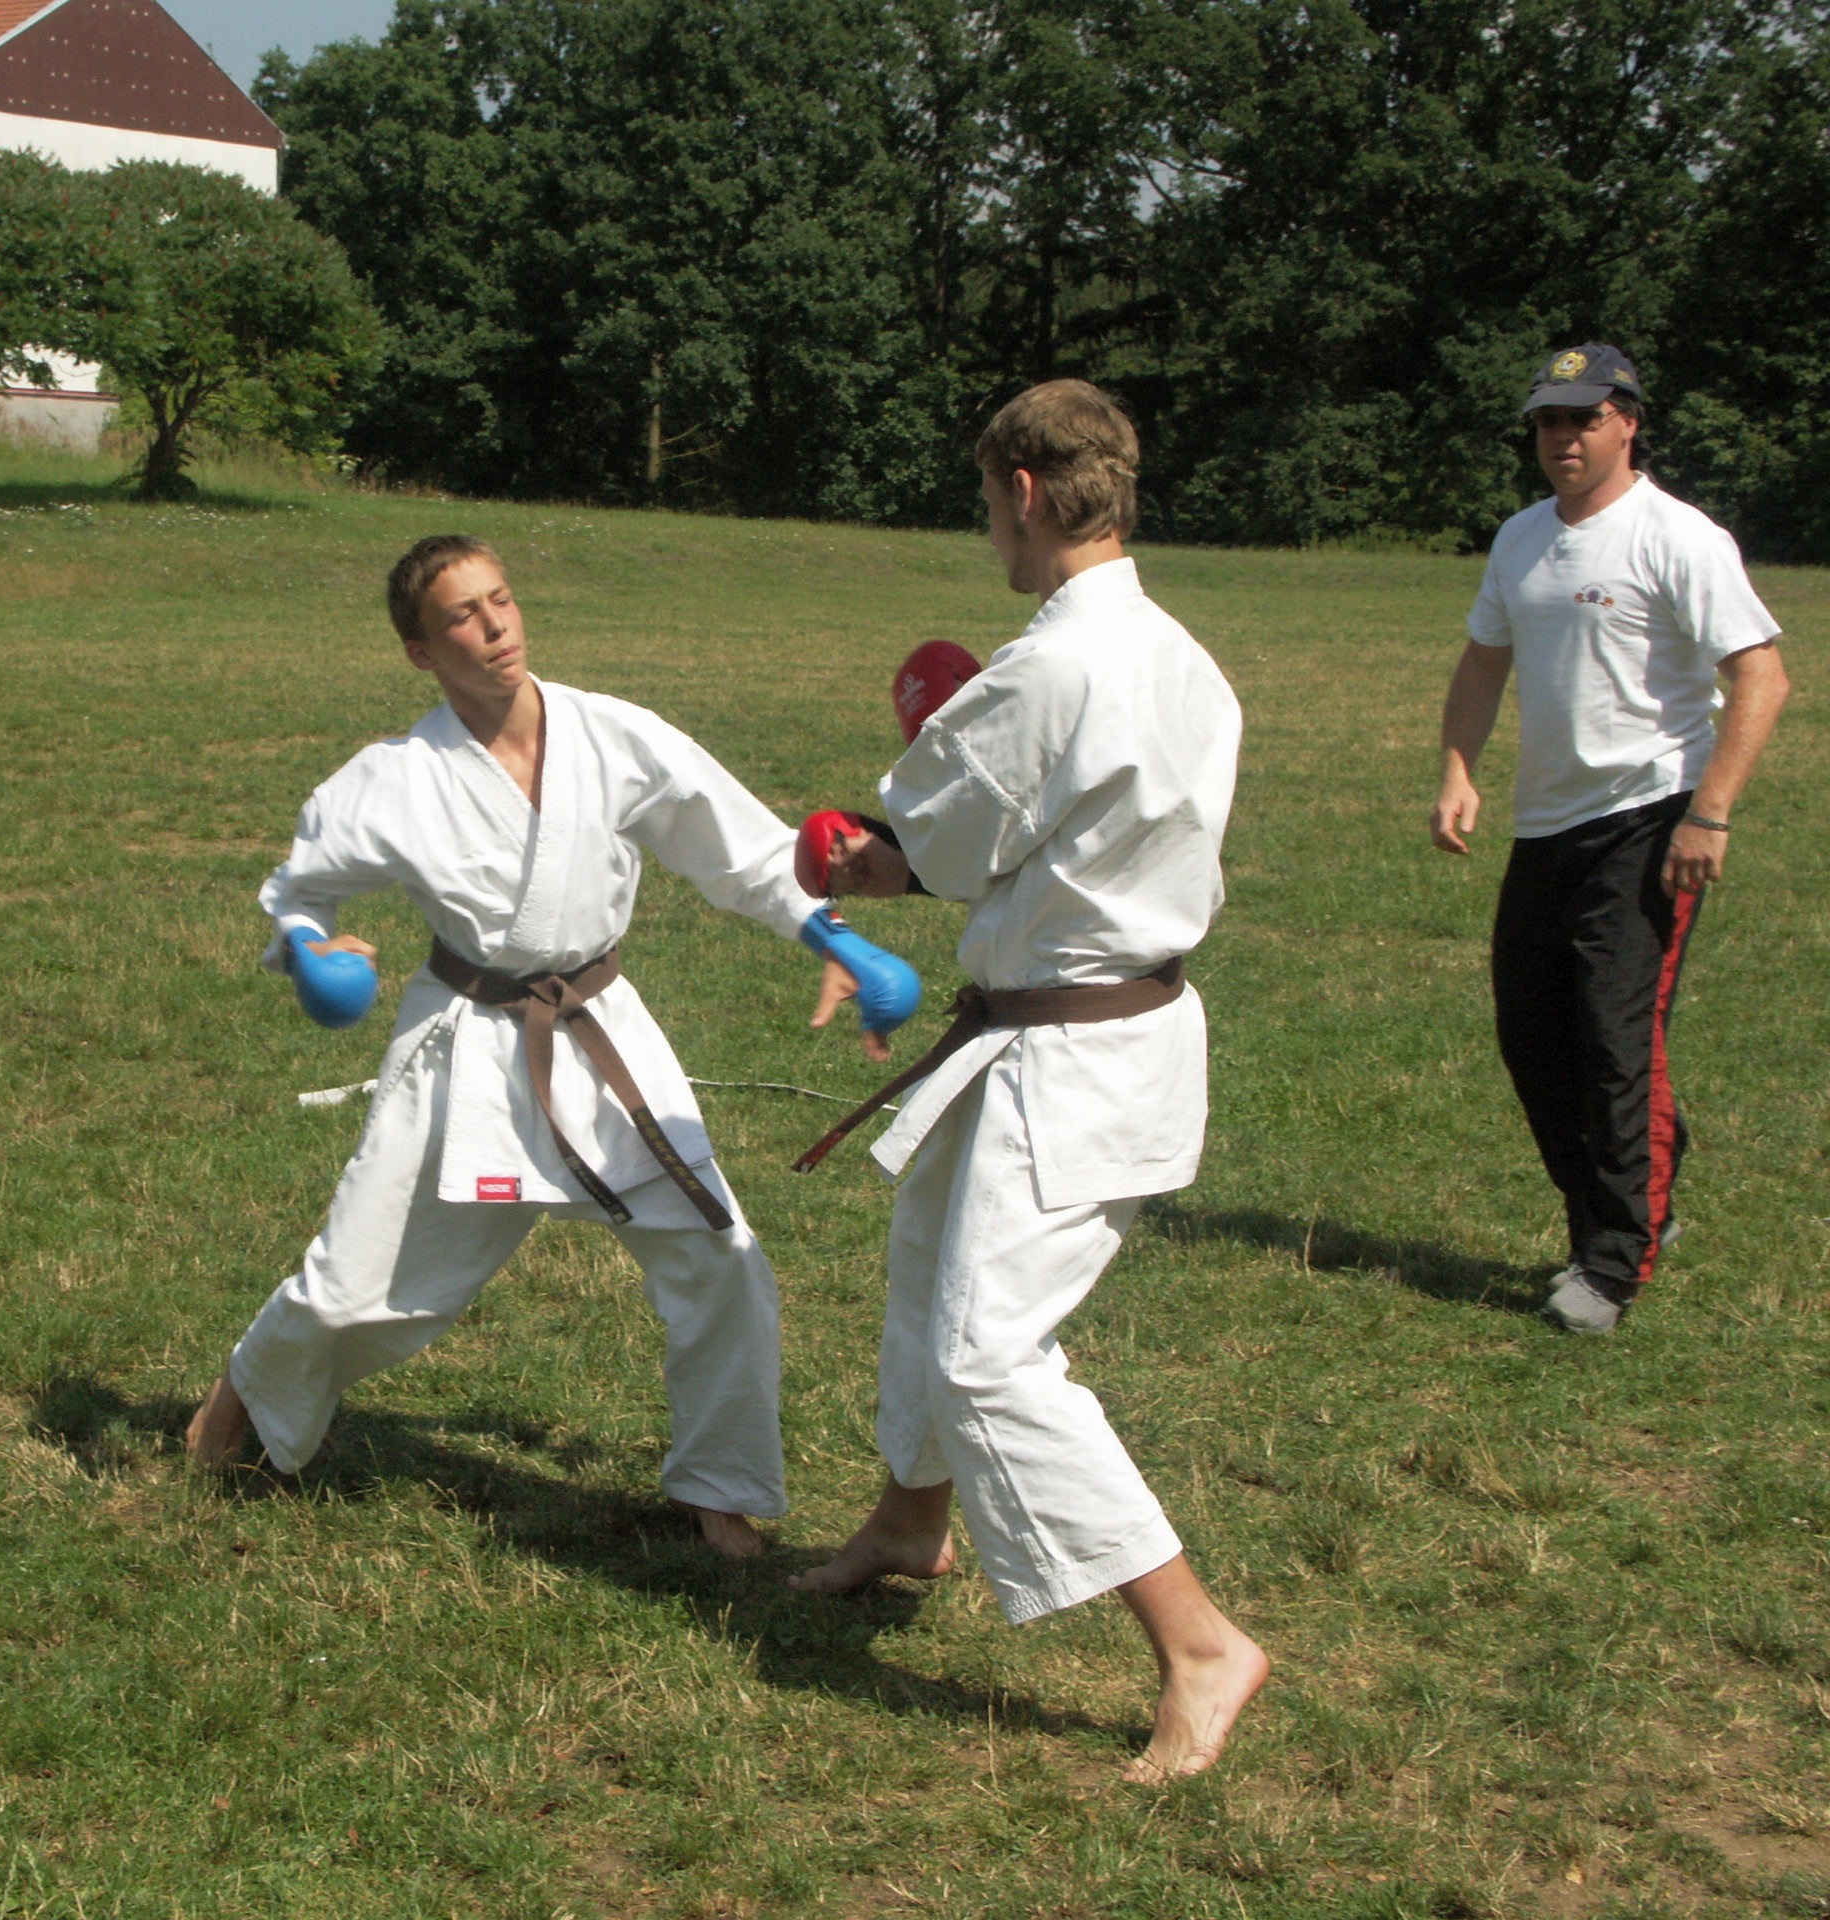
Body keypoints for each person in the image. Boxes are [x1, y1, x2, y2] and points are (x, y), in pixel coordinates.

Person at [185, 535, 899, 1559]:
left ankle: (718, 1490)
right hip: (466, 1045)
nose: (495, 627)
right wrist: (309, 949)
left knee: (720, 1258)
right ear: (421, 652)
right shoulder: (395, 778)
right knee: (355, 1286)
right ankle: (239, 1398)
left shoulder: (612, 735)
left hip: (600, 1034)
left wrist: (830, 935)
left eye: (502, 600)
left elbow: (739, 848)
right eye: (462, 617)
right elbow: (301, 889)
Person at [791, 380, 1268, 1783]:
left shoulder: (1046, 670)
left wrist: (845, 858)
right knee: (930, 1261)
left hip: (1068, 1053)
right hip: (1096, 1027)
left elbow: (922, 855)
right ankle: (908, 1521)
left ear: (1018, 489)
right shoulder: (1186, 659)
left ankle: (1197, 1642)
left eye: (985, 502)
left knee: (988, 1352)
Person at [1430, 343, 1790, 1335]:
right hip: (1546, 825)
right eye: (1550, 420)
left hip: (1651, 818)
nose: (1564, 438)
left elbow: (1761, 676)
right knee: (1531, 1034)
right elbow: (1483, 661)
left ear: (1627, 422)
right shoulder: (1520, 539)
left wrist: (1709, 812)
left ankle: (1614, 1259)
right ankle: (1628, 1194)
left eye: (1584, 418)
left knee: (1612, 1033)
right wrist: (1458, 770)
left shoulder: (1678, 538)